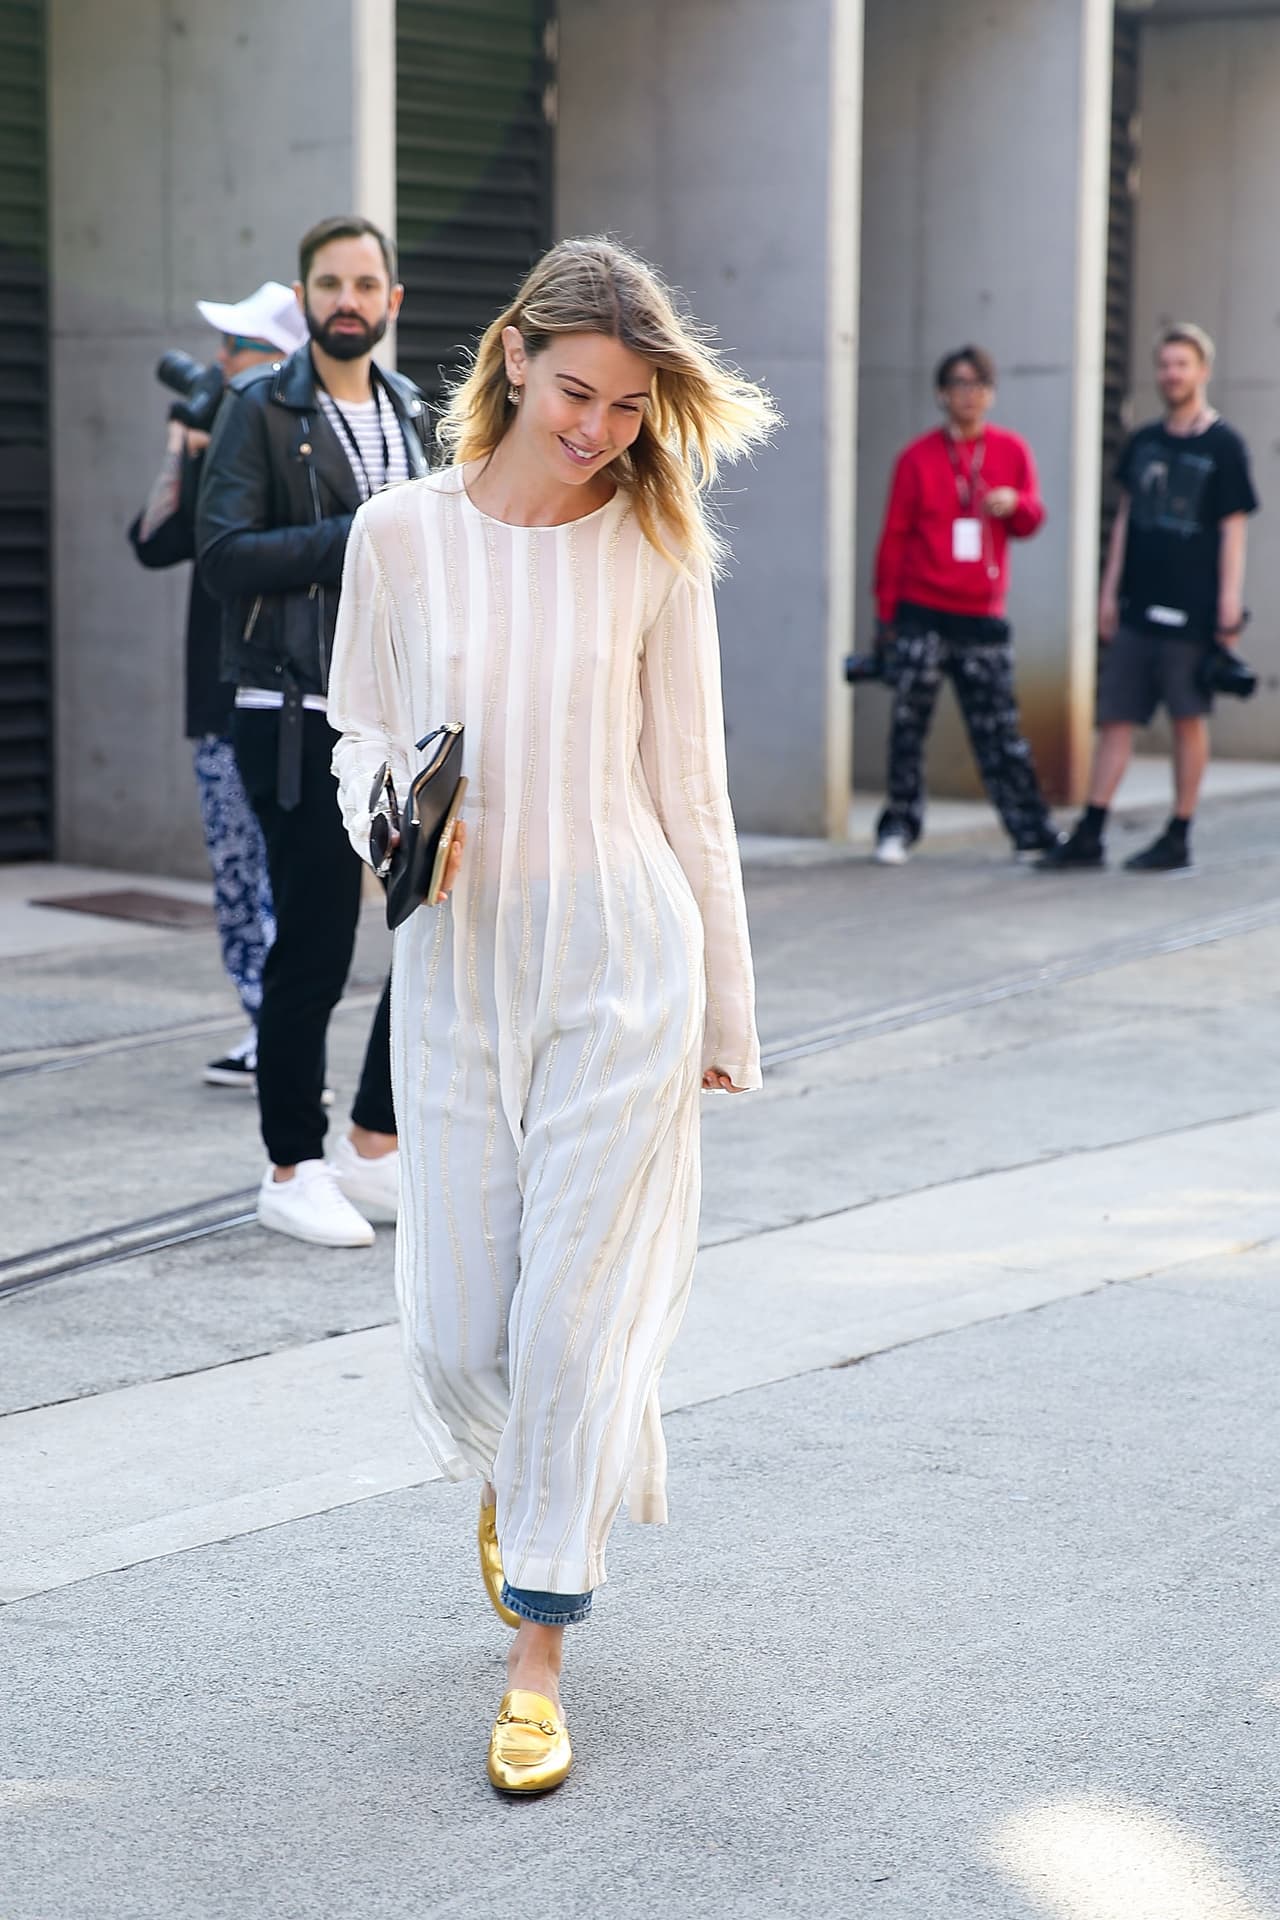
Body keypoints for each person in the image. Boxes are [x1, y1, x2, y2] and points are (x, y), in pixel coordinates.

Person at [327, 236, 776, 1794]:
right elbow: (357, 728)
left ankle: (541, 1646)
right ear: (515, 356)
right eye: (579, 391)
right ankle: (525, 1476)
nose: (600, 428)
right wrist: (389, 813)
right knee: (467, 1326)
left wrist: (726, 1005)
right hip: (457, 965)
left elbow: (692, 789)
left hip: (622, 962)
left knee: (573, 1320)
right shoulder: (397, 535)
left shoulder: (655, 546)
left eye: (631, 406)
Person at [197, 216, 432, 1248]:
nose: (348, 300)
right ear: (305, 300)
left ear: (391, 300)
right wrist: (358, 537)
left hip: (403, 719)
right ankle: (291, 1167)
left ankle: (372, 1144)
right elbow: (223, 556)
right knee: (318, 948)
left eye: (365, 283)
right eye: (330, 284)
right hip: (294, 714)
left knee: (424, 937)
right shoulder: (260, 407)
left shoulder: (412, 410)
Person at [130, 284, 305, 1087]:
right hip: (218, 701)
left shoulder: (291, 449)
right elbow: (151, 541)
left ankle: (285, 1039)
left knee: (272, 878)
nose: (219, 360)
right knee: (238, 878)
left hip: (277, 696)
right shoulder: (218, 451)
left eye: (234, 347)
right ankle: (267, 1030)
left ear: (274, 358)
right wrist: (183, 443)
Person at [1040, 323, 1258, 873]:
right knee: (1116, 716)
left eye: (1181, 364)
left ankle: (1179, 832)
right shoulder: (1143, 443)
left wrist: (1228, 603)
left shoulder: (1225, 446)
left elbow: (1233, 529)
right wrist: (1109, 592)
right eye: (1164, 365)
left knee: (1187, 718)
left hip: (1194, 610)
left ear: (1202, 371)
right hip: (1139, 604)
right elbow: (1125, 521)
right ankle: (1091, 831)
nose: (1171, 374)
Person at [869, 345, 1061, 865]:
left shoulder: (1011, 451)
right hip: (922, 610)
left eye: (978, 385)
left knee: (1000, 730)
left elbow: (1032, 520)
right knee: (908, 727)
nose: (968, 395)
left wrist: (1015, 503)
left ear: (991, 394)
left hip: (981, 614)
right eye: (958, 384)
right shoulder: (916, 458)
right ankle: (899, 827)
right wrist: (886, 618)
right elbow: (893, 539)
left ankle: (1031, 832)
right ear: (941, 393)